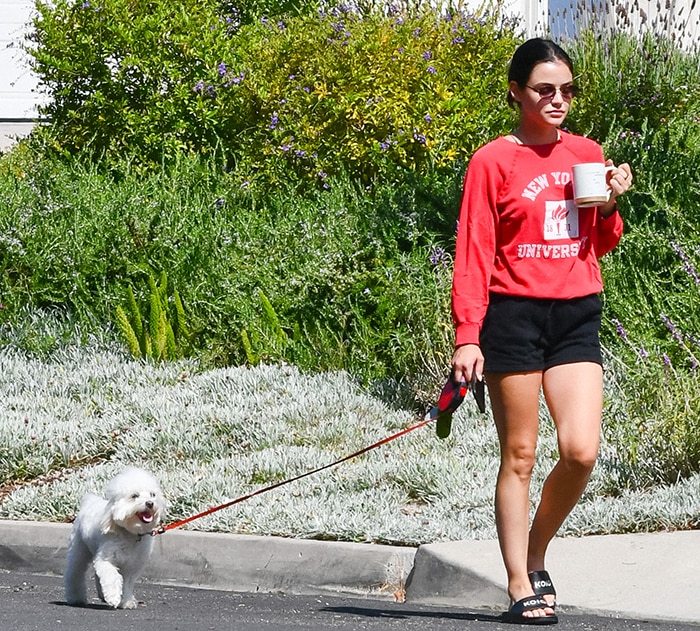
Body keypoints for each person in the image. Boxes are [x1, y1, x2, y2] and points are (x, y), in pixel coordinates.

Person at [450, 38, 632, 625]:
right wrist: (468, 334)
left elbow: (598, 241)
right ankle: (516, 581)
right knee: (521, 454)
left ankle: (535, 551)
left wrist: (608, 205)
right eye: (544, 90)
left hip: (577, 309)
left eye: (568, 90)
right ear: (516, 92)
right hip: (514, 316)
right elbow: (474, 251)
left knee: (580, 451)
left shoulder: (585, 152)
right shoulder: (493, 161)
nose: (558, 100)